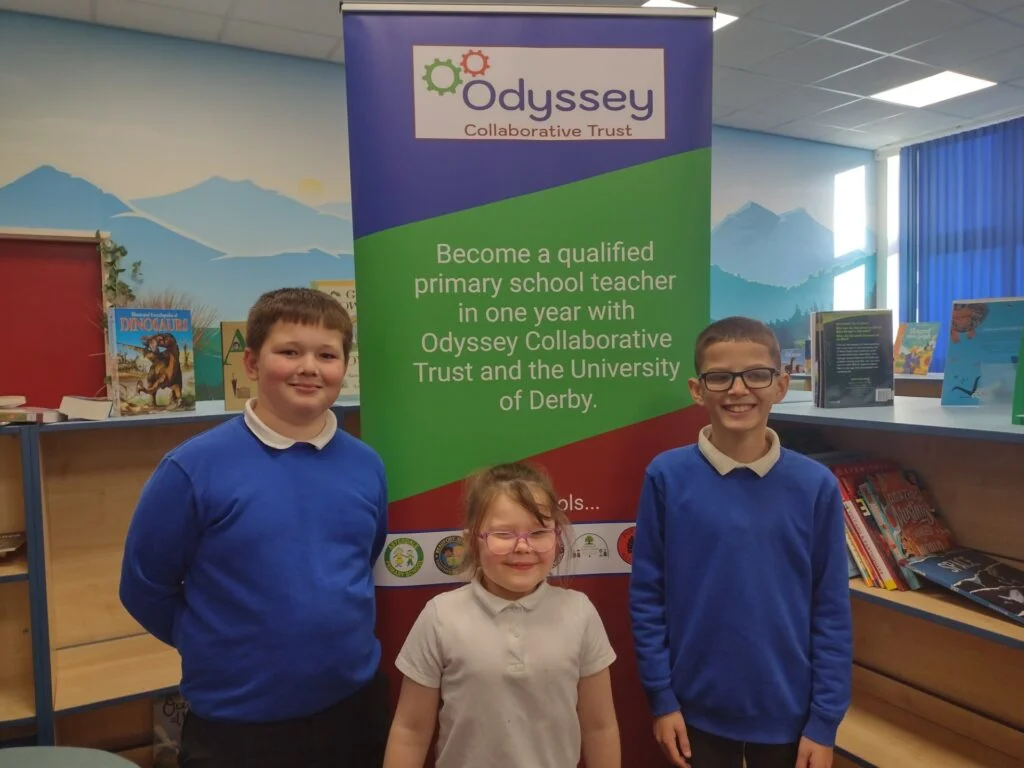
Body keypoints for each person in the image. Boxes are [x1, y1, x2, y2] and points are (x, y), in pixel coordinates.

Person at [119, 287, 390, 768]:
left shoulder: (366, 464)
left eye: (327, 355)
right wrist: (212, 641)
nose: (309, 367)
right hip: (237, 728)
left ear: (344, 367)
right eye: (289, 351)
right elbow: (145, 588)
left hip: (355, 710)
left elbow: (363, 558)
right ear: (251, 363)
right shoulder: (192, 469)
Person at [629, 316, 852, 768]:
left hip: (791, 716)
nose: (738, 389)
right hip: (695, 714)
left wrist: (824, 720)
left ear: (781, 384)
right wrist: (662, 698)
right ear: (697, 389)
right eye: (720, 377)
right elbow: (648, 597)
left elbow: (830, 610)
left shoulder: (816, 486)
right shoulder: (666, 477)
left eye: (756, 374)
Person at [383, 462, 621, 768]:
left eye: (538, 533)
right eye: (503, 534)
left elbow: (599, 727)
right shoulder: (440, 616)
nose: (522, 547)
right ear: (472, 540)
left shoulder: (579, 613)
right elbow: (410, 731)